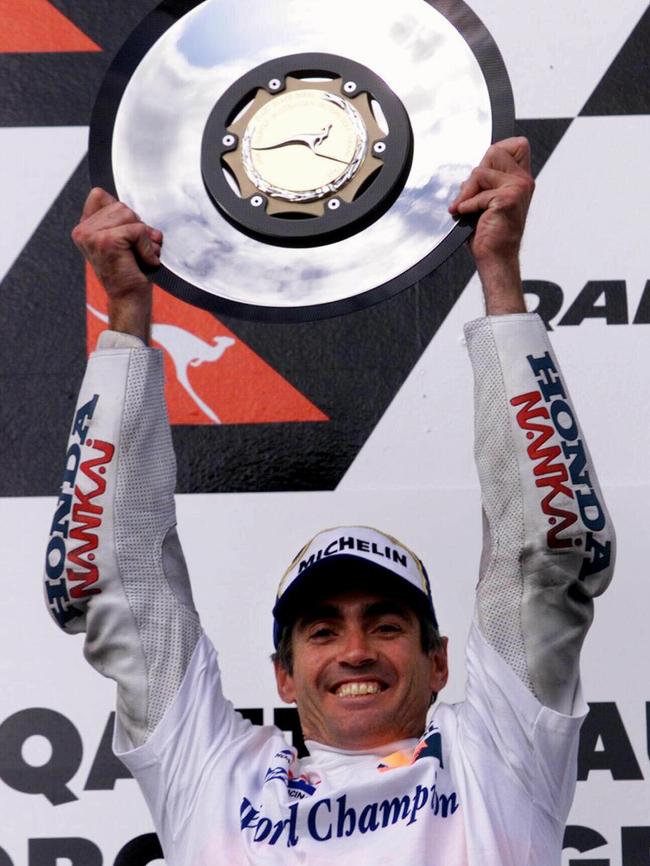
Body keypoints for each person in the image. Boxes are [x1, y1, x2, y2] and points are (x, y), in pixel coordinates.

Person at [43, 137, 615, 865]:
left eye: (384, 626)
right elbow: (117, 581)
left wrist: (499, 274)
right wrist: (126, 311)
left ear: (438, 662)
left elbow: (545, 550)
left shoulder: (499, 755)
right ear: (282, 674)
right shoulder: (214, 775)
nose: (354, 652)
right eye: (320, 631)